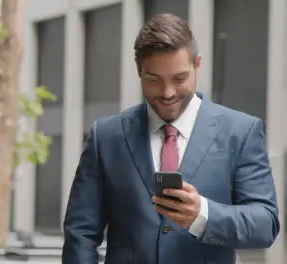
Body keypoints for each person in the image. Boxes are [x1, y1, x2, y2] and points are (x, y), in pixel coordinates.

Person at [61, 13, 280, 264]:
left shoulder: (241, 132)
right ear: (138, 71)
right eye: (153, 80)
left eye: (179, 79)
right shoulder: (106, 137)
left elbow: (265, 224)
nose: (167, 93)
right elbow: (80, 233)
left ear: (197, 64)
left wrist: (203, 215)